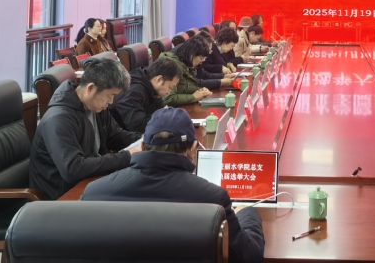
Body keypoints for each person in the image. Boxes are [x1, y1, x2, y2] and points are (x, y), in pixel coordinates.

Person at [82, 108, 265, 263]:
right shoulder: (213, 198)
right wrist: (247, 213)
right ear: (192, 149)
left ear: (143, 146)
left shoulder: (94, 193)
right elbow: (248, 256)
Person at [29, 57, 141, 200]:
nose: (111, 102)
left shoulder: (95, 106)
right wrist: (127, 157)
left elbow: (115, 136)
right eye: (110, 96)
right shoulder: (59, 119)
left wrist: (147, 139)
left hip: (89, 182)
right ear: (91, 88)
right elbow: (73, 169)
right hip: (61, 196)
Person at [109, 58, 182, 132]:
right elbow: (138, 126)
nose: (169, 92)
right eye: (170, 87)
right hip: (121, 135)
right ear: (159, 79)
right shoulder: (134, 90)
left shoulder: (152, 88)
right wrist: (163, 118)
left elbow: (160, 111)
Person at [160, 39, 215, 106]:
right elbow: (168, 98)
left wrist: (200, 91)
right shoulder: (172, 66)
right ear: (192, 54)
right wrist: (193, 97)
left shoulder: (188, 66)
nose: (201, 62)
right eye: (201, 58)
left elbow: (184, 87)